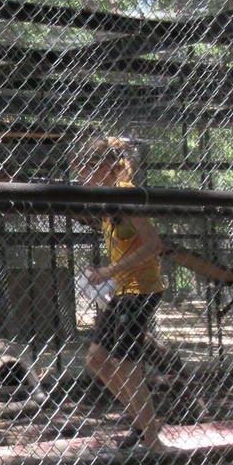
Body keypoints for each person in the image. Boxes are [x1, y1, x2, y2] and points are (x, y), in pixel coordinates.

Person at [73, 136, 166, 448]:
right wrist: (104, 275)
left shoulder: (125, 195)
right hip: (123, 289)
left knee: (125, 363)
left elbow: (154, 246)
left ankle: (153, 440)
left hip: (142, 289)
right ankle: (143, 422)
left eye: (83, 171)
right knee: (97, 359)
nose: (79, 178)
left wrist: (108, 273)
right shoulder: (106, 202)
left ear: (102, 168)